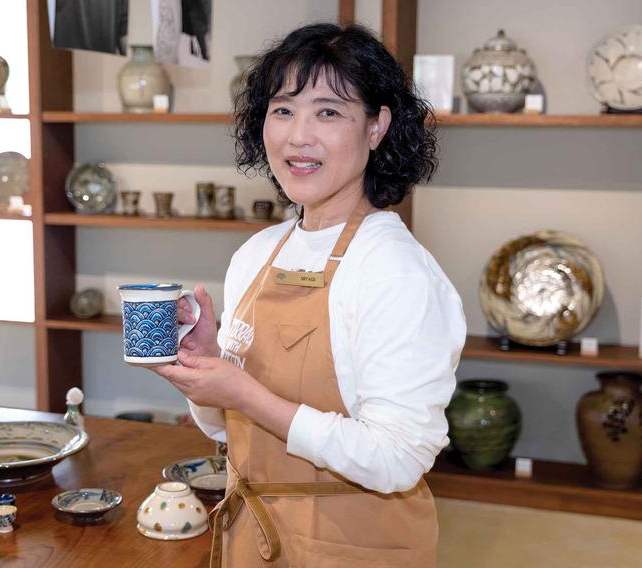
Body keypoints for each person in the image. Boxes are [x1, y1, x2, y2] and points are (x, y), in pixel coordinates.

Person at [154, 22, 466, 567]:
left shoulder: (396, 271)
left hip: (351, 546)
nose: (299, 137)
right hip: (251, 536)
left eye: (328, 112)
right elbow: (227, 427)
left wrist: (248, 395)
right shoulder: (258, 252)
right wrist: (205, 369)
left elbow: (398, 457)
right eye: (283, 110)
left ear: (376, 126)